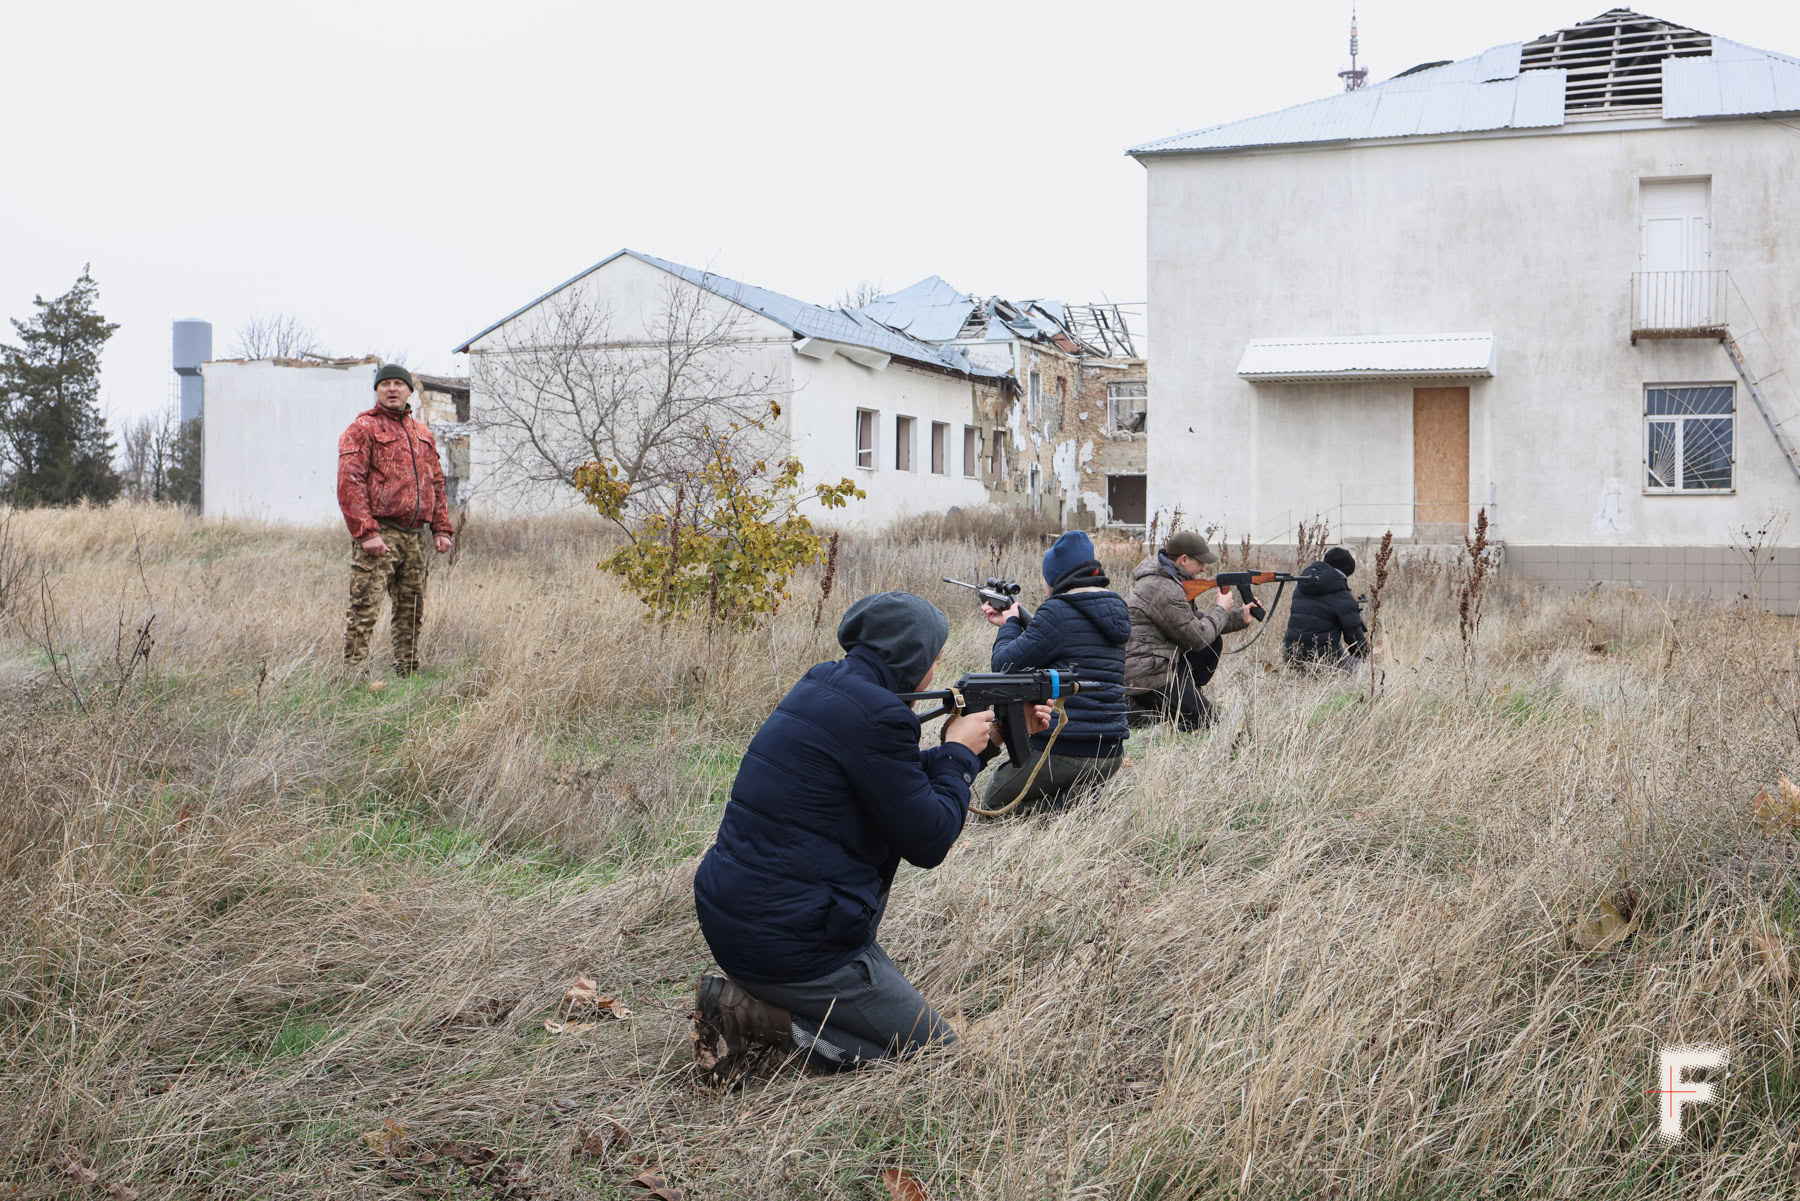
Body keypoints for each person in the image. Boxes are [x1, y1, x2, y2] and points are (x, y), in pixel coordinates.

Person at [690, 592, 1051, 1079]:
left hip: (741, 916)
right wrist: (958, 754)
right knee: (938, 1059)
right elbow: (928, 840)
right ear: (915, 657)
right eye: (935, 656)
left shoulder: (822, 685)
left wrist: (984, 746)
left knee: (912, 1041)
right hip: (790, 942)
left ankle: (774, 999)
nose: (936, 666)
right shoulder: (880, 717)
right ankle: (750, 1015)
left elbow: (888, 788)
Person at [980, 530, 1130, 815]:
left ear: (1056, 577)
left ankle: (1070, 808)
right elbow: (1063, 644)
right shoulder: (1114, 608)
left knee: (996, 801)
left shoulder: (1058, 611)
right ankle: (1082, 795)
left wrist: (1010, 624)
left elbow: (1002, 666)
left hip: (1069, 748)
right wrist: (1012, 621)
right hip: (1111, 752)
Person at [336, 364, 453, 676]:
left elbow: (436, 483)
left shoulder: (422, 434)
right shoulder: (362, 429)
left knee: (411, 609)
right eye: (384, 384)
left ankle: (407, 671)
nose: (391, 389)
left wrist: (441, 528)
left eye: (398, 384)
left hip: (415, 537)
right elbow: (350, 482)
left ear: (409, 390)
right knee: (365, 606)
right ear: (376, 390)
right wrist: (366, 532)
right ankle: (353, 675)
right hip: (380, 533)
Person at [1123, 531, 1254, 730]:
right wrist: (1220, 609)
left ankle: (1182, 698)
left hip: (1160, 664)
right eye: (1200, 562)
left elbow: (1194, 622)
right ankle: (1137, 709)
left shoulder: (1169, 582)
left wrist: (1239, 617)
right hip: (1148, 674)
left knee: (1214, 640)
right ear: (1184, 559)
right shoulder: (1163, 588)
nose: (1203, 569)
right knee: (1208, 723)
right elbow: (1197, 638)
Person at [1283, 546, 1370, 670]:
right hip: (1323, 661)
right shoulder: (1342, 596)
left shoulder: (1301, 586)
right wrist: (1367, 655)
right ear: (1345, 573)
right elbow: (1356, 641)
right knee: (1364, 669)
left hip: (1291, 656)